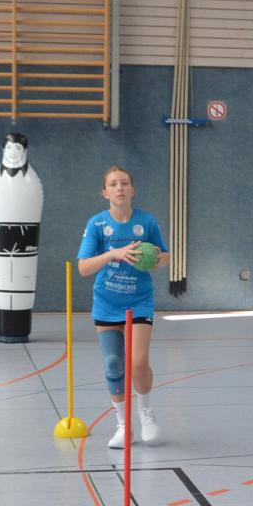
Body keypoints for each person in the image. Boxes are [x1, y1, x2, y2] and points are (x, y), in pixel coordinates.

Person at [77, 166, 170, 449]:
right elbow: (83, 267)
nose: (119, 188)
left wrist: (154, 258)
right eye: (113, 184)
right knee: (113, 365)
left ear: (132, 190)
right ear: (105, 192)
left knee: (138, 362)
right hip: (107, 303)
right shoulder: (97, 224)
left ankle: (146, 412)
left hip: (139, 301)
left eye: (124, 183)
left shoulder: (146, 222)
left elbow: (166, 257)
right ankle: (123, 425)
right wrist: (113, 254)